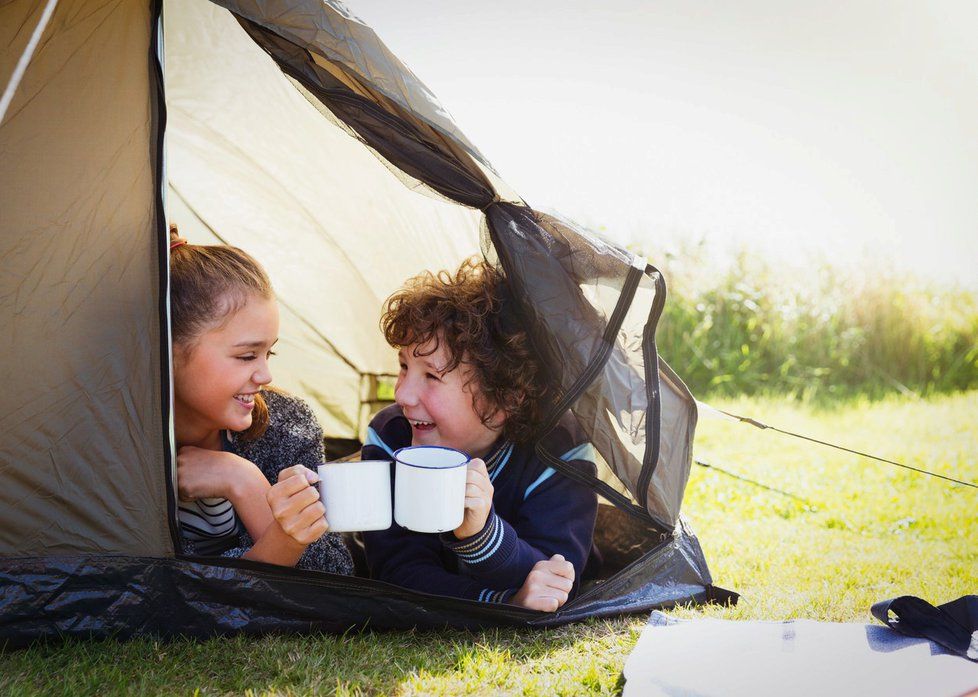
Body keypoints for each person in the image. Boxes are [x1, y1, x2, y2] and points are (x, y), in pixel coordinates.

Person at [361, 258, 598, 611]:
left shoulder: (559, 455)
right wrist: (503, 602)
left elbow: (555, 576)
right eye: (404, 367)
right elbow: (397, 570)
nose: (402, 395)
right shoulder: (390, 437)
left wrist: (482, 536)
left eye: (431, 376)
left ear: (505, 398)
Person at [169, 225, 352, 574]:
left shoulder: (288, 425)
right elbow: (169, 591)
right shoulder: (122, 444)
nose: (265, 376)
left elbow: (331, 576)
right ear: (170, 353)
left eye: (269, 353)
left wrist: (244, 482)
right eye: (246, 356)